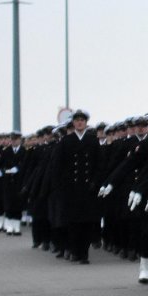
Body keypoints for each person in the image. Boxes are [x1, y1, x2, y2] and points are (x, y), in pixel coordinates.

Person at [55, 110, 103, 264]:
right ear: (73, 123)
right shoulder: (66, 141)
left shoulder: (92, 140)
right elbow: (59, 165)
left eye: (82, 120)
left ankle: (84, 253)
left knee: (87, 222)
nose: (80, 122)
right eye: (77, 120)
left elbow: (98, 164)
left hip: (88, 188)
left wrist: (95, 181)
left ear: (86, 123)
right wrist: (63, 184)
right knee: (73, 222)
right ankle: (75, 251)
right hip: (72, 188)